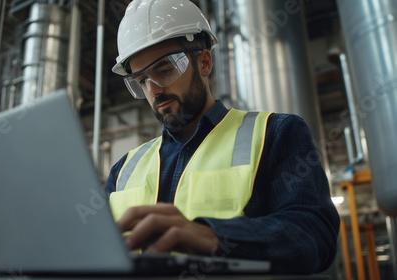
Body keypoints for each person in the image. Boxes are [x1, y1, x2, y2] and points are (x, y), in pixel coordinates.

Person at [106, 0, 340, 274]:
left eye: (165, 69)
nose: (154, 90)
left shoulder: (275, 134)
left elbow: (312, 236)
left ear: (204, 62)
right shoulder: (123, 170)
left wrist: (210, 236)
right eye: (142, 80)